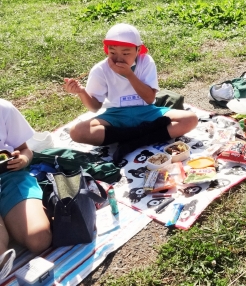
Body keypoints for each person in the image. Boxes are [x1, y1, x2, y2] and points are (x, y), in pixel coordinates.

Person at [64, 23, 198, 163]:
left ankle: (131, 140)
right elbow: (94, 107)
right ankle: (139, 136)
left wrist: (129, 75)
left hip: (146, 111)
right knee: (77, 132)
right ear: (106, 50)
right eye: (112, 52)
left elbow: (149, 98)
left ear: (138, 50)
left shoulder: (146, 62)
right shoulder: (100, 70)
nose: (118, 58)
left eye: (126, 53)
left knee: (190, 119)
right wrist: (81, 92)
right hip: (116, 115)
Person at [0, 99, 52, 279]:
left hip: (10, 177)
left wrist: (22, 160)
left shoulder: (3, 109)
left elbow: (25, 150)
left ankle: (13, 223)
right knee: (0, 255)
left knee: (39, 240)